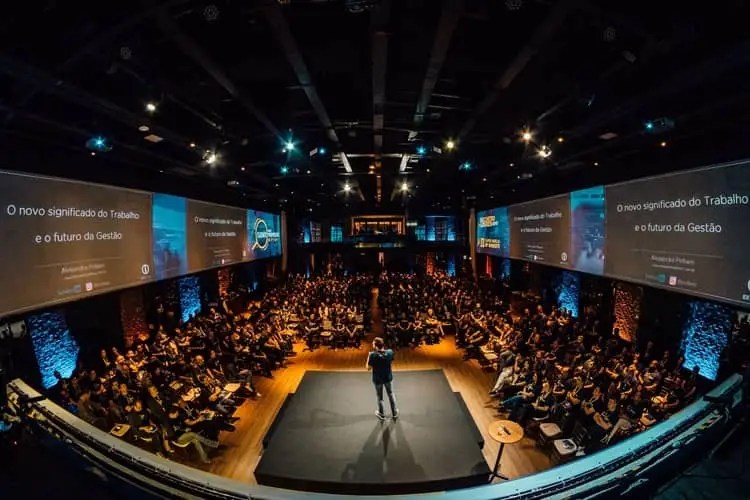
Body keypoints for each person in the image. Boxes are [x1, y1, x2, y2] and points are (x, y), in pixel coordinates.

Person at [366, 337, 398, 420]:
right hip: (387, 377)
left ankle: (381, 414)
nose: (372, 345)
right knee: (391, 394)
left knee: (380, 397)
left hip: (378, 379)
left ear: (376, 346)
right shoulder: (390, 352)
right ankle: (394, 413)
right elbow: (390, 361)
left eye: (373, 344)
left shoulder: (373, 355)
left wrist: (368, 357)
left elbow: (368, 368)